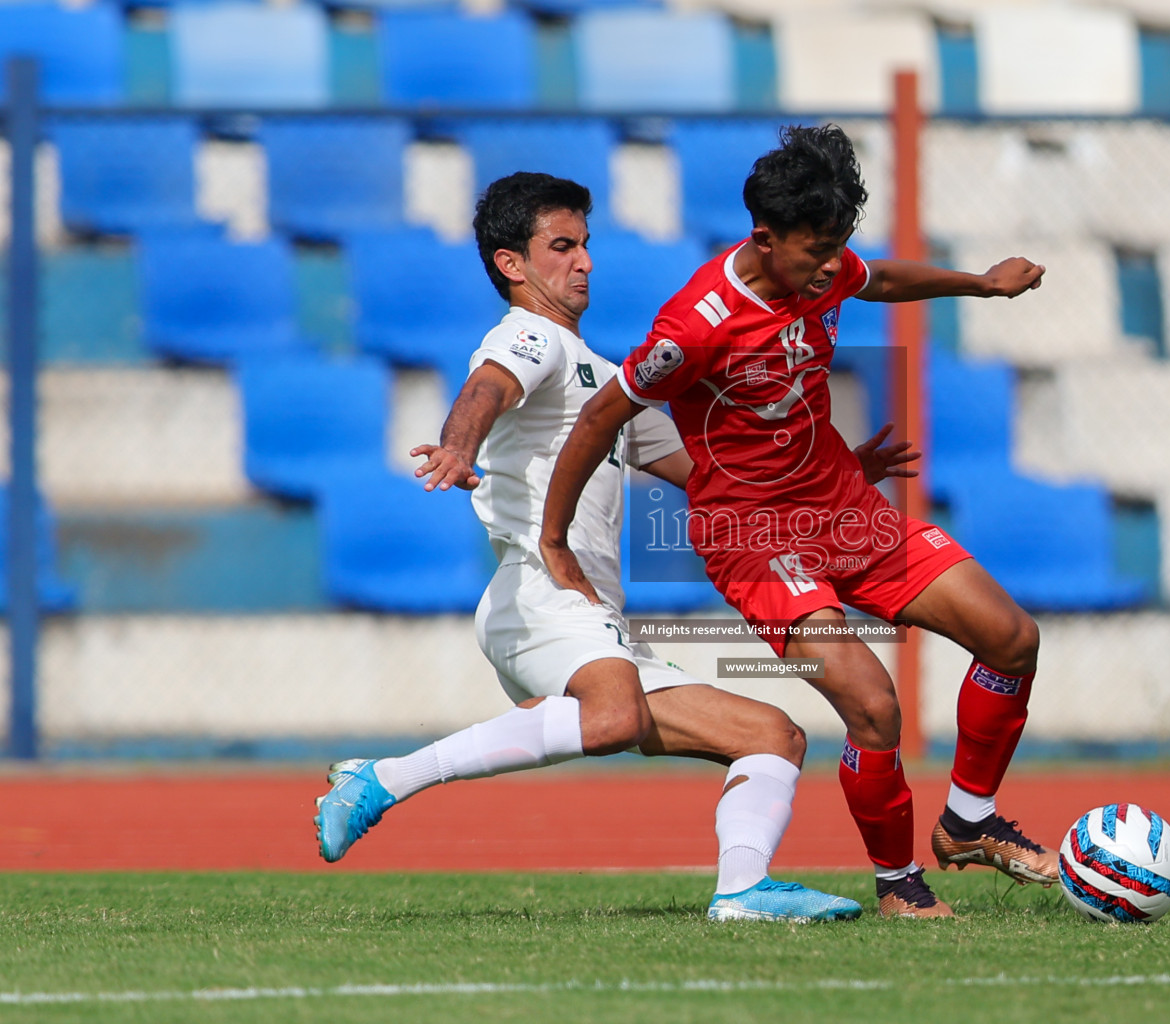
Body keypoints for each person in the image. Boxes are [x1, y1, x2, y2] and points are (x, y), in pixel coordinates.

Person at [313, 170, 919, 923]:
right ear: (513, 265)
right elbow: (486, 390)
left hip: (586, 618)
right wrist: (456, 446)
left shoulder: (602, 377)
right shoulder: (527, 338)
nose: (585, 262)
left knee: (772, 735)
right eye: (562, 247)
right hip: (543, 593)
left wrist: (832, 472)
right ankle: (384, 780)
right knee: (609, 719)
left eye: (586, 245)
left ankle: (742, 890)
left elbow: (709, 474)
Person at [539, 124, 1057, 918]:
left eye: (836, 246)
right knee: (873, 703)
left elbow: (874, 279)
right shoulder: (696, 325)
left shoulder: (822, 265)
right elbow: (600, 418)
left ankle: (968, 822)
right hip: (749, 536)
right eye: (817, 250)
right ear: (764, 238)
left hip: (841, 506)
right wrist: (552, 536)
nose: (830, 267)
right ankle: (897, 886)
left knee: (1012, 637)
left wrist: (980, 285)